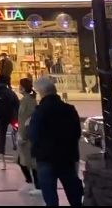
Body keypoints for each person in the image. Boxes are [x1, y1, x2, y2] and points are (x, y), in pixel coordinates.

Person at [29, 76, 83, 207]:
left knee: (50, 196)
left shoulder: (39, 111)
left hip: (46, 157)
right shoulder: (69, 109)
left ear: (42, 93)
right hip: (67, 156)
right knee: (74, 193)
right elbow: (77, 132)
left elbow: (34, 135)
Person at [16, 77, 42, 197]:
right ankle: (31, 182)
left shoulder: (29, 101)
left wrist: (24, 135)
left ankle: (37, 185)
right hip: (23, 134)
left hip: (27, 136)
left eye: (20, 85)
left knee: (31, 162)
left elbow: (29, 120)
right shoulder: (25, 100)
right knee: (23, 160)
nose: (18, 87)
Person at [0, 76, 20, 160]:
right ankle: (16, 149)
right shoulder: (9, 92)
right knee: (17, 131)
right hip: (12, 116)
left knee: (2, 136)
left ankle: (2, 157)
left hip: (0, 117)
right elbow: (17, 104)